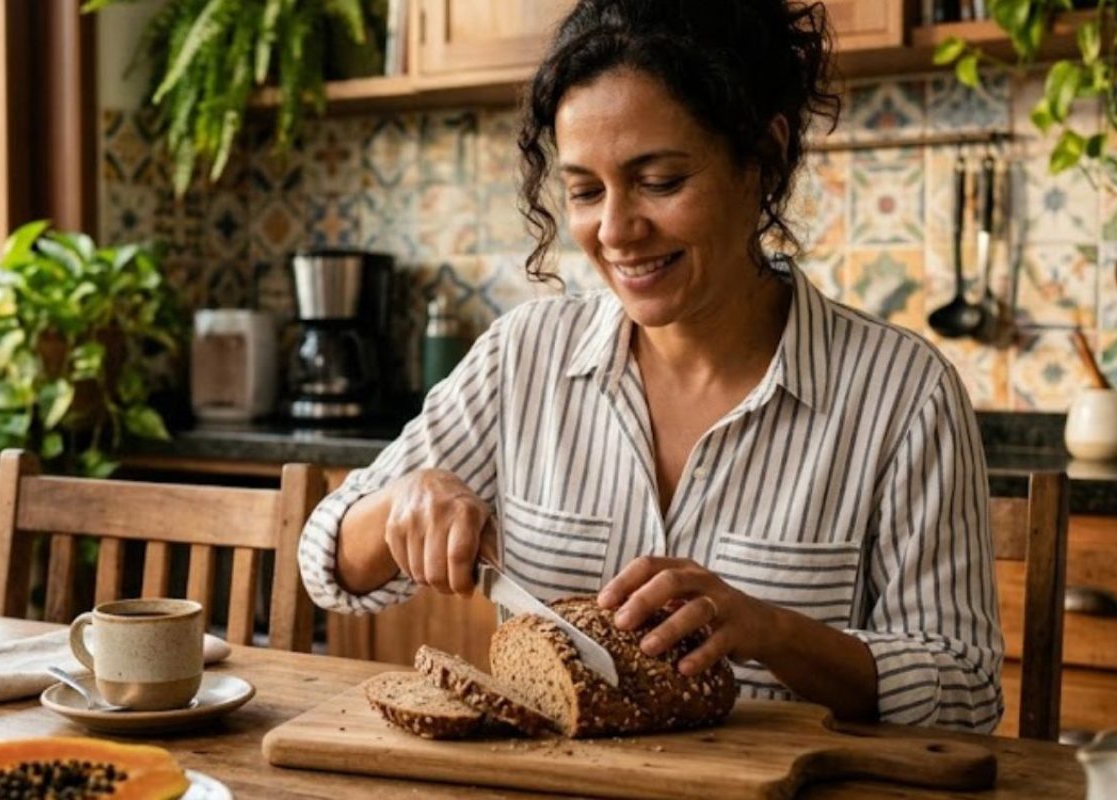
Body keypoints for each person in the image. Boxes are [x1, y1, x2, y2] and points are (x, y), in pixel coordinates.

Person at [299, 0, 1001, 732]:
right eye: (584, 191)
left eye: (660, 181)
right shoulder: (523, 357)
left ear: (761, 157)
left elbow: (965, 690)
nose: (616, 231)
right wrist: (404, 502)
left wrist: (772, 631)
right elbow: (327, 564)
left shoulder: (903, 393)